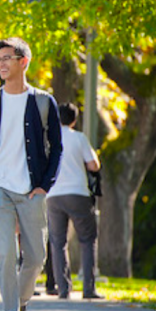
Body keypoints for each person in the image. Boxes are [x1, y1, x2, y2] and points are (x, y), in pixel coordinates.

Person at [0, 38, 63, 311]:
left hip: (32, 190)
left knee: (37, 257)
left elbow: (57, 148)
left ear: (24, 61)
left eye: (7, 58)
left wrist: (45, 185)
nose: (1, 64)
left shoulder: (43, 102)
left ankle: (20, 301)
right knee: (5, 254)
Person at [47, 102, 103, 300]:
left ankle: (63, 289)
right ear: (74, 120)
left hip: (53, 196)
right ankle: (89, 289)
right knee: (87, 240)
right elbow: (94, 165)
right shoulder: (79, 138)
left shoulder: (49, 139)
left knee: (58, 242)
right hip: (78, 193)